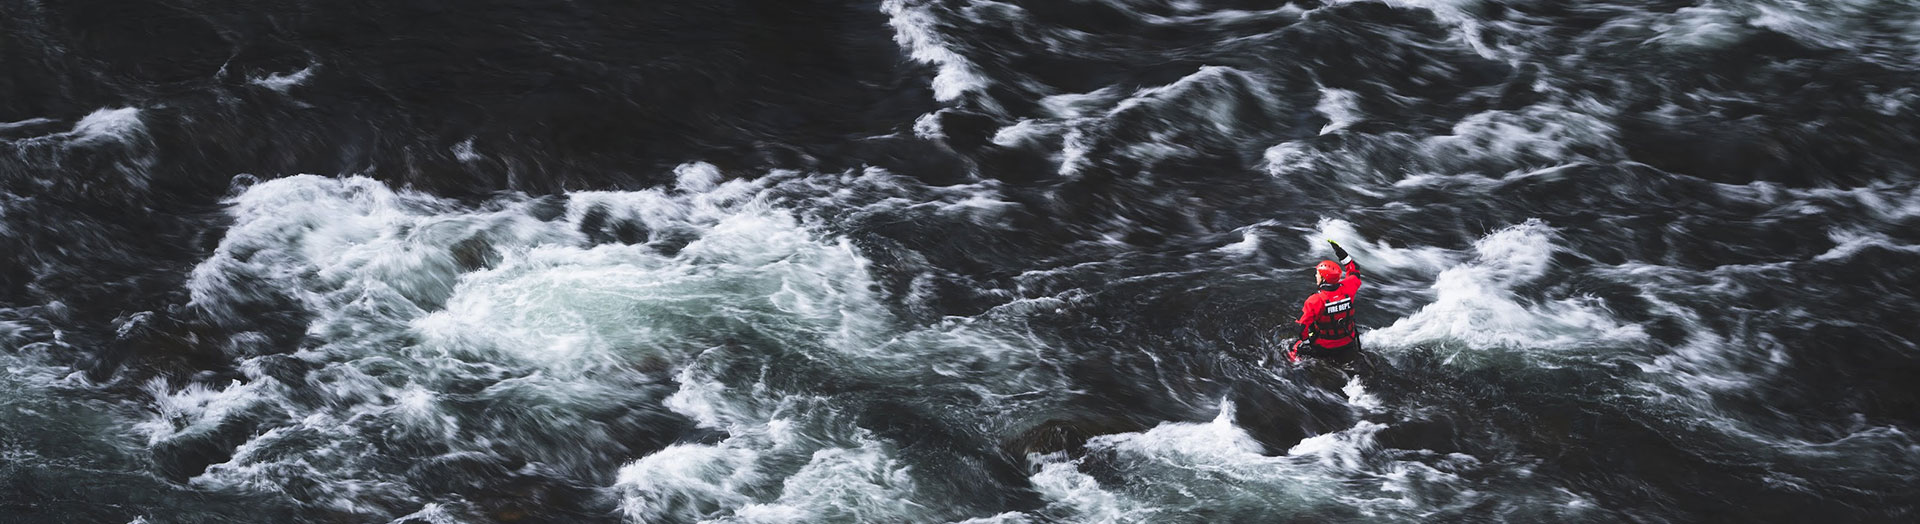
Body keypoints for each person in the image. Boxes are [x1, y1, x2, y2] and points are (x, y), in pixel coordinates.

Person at [1289, 239, 1361, 363]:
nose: (1315, 276)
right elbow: (1355, 269)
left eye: (1317, 274)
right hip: (1349, 341)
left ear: (1323, 279)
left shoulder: (1315, 300)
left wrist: (1308, 339)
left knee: (1294, 347)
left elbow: (1301, 329)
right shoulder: (1349, 287)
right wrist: (1341, 253)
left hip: (1325, 347)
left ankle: (1294, 366)